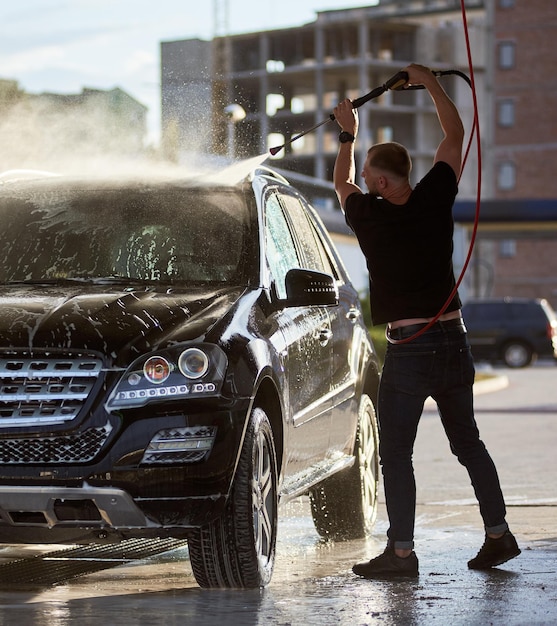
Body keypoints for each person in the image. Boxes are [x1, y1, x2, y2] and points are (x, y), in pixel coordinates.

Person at [332, 63, 520, 579]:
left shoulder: (368, 216)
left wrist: (346, 133)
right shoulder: (436, 196)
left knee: (396, 453)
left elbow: (339, 181)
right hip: (452, 341)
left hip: (410, 348)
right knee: (468, 444)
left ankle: (401, 555)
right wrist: (430, 83)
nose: (365, 181)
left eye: (372, 174)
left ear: (383, 179)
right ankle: (498, 537)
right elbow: (454, 134)